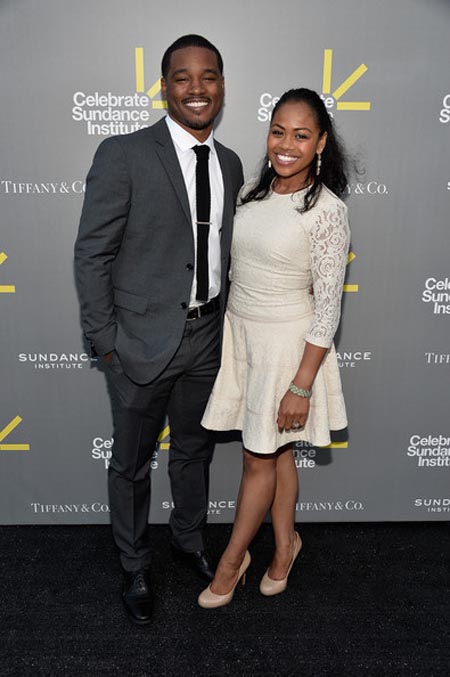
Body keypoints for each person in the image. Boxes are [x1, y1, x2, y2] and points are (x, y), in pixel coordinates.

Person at [74, 34, 243, 625]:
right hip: (138, 343)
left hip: (206, 337)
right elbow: (92, 253)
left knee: (193, 453)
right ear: (165, 86)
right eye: (182, 77)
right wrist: (105, 340)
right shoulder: (124, 153)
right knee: (132, 462)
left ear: (222, 85)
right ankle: (133, 561)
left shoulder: (229, 162)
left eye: (209, 76)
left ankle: (189, 541)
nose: (197, 88)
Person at [198, 88, 350, 608]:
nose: (286, 144)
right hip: (243, 336)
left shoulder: (327, 211)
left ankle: (231, 561)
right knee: (277, 452)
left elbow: (328, 309)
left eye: (301, 135)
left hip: (289, 347)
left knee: (257, 458)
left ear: (321, 143)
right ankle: (286, 546)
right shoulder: (250, 194)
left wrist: (300, 385)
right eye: (278, 131)